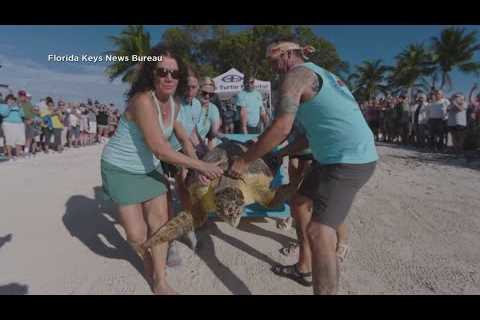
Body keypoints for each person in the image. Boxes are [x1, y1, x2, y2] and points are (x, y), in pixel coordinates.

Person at [227, 39, 378, 295]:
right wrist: (280, 152)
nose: (273, 66)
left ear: (290, 55)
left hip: (348, 161)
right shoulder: (322, 75)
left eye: (275, 60)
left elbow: (281, 127)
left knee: (319, 232)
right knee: (298, 202)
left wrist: (243, 161)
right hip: (333, 157)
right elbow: (309, 136)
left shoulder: (295, 76)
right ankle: (304, 267)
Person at [100, 44, 223, 295]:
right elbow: (159, 148)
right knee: (136, 235)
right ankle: (149, 263)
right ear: (151, 73)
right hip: (121, 169)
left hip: (149, 168)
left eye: (174, 73)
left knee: (160, 225)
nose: (168, 77)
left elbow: (183, 135)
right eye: (162, 71)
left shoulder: (175, 104)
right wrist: (202, 165)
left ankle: (160, 281)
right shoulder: (143, 100)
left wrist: (192, 163)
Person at [189, 77, 223, 154]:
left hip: (199, 148)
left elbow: (214, 132)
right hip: (184, 148)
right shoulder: (189, 104)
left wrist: (226, 138)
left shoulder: (213, 109)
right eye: (204, 93)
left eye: (211, 94)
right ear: (198, 90)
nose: (207, 96)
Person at [0, 94, 26, 160]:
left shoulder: (18, 106)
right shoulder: (2, 105)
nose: (11, 101)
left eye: (12, 99)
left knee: (20, 139)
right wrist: (9, 107)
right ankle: (9, 155)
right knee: (9, 139)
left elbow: (22, 115)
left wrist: (20, 108)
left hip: (19, 124)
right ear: (6, 100)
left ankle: (18, 154)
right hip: (8, 124)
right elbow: (4, 114)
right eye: (9, 99)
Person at [18, 90, 35, 157]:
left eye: (23, 96)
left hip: (29, 121)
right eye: (20, 96)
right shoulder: (17, 103)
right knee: (21, 137)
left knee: (28, 137)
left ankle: (26, 151)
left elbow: (33, 113)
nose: (22, 97)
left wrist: (31, 120)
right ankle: (20, 151)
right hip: (21, 122)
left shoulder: (29, 104)